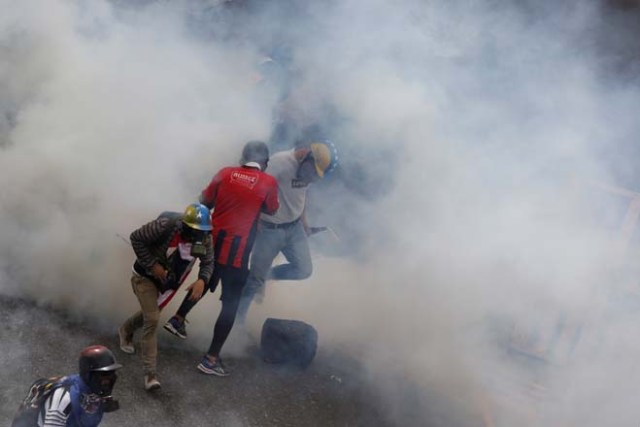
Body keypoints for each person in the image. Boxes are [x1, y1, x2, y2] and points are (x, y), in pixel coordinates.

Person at [163, 140, 279, 376]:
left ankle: (177, 318)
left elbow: (205, 200)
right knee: (230, 306)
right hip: (237, 253)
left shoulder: (225, 173)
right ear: (265, 163)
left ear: (242, 158)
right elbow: (272, 209)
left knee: (203, 281)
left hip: (210, 242)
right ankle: (211, 359)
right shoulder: (268, 182)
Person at [235, 138, 338, 325]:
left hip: (294, 228)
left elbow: (302, 194)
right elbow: (257, 188)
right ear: (307, 155)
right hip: (269, 230)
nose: (311, 178)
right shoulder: (280, 162)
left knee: (304, 270)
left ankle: (266, 275)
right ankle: (236, 323)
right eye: (312, 172)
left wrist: (304, 222)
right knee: (253, 282)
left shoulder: (309, 171)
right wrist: (254, 218)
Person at [118, 203, 215, 390]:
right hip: (144, 276)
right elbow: (136, 238)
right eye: (195, 231)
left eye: (203, 232)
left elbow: (208, 262)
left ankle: (125, 330)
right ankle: (150, 374)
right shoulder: (166, 225)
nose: (199, 236)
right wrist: (153, 265)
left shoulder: (205, 238)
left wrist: (202, 280)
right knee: (153, 318)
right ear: (185, 226)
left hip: (169, 282)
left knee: (150, 314)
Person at [11, 345, 121, 427]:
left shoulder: (92, 392)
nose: (110, 379)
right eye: (105, 374)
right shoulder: (64, 399)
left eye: (112, 373)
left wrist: (100, 407)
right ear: (89, 375)